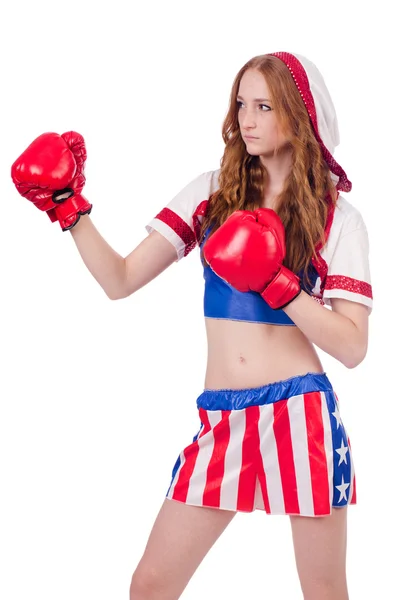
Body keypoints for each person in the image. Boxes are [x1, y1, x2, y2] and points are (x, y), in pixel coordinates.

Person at [11, 51, 372, 600]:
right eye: (241, 105)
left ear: (298, 115)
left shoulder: (337, 216)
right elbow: (122, 280)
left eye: (264, 107)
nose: (247, 120)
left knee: (323, 591)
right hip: (222, 417)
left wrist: (278, 281)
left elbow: (352, 347)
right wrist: (69, 208)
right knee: (151, 585)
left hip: (300, 416)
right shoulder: (212, 195)